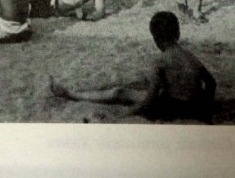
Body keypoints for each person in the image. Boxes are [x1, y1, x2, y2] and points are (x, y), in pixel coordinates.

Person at [50, 11, 216, 123]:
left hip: (173, 108)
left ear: (155, 39)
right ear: (178, 34)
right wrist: (205, 107)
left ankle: (70, 94)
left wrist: (122, 116)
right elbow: (211, 84)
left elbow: (149, 100)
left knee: (120, 92)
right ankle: (75, 92)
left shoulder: (160, 61)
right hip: (195, 105)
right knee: (140, 83)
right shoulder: (190, 57)